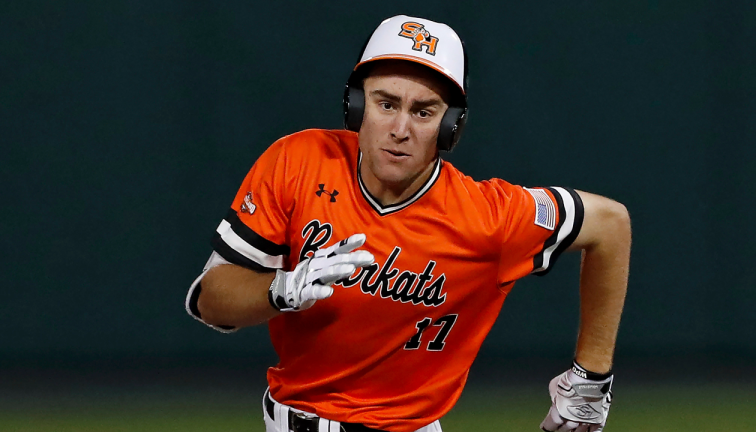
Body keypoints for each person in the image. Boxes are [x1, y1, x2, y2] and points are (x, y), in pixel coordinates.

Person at [185, 15, 630, 432]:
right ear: (355, 106)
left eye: (423, 111)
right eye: (386, 103)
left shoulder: (488, 216)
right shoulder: (298, 162)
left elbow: (610, 224)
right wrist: (279, 289)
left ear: (451, 126)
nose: (400, 128)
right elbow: (210, 300)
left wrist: (591, 377)